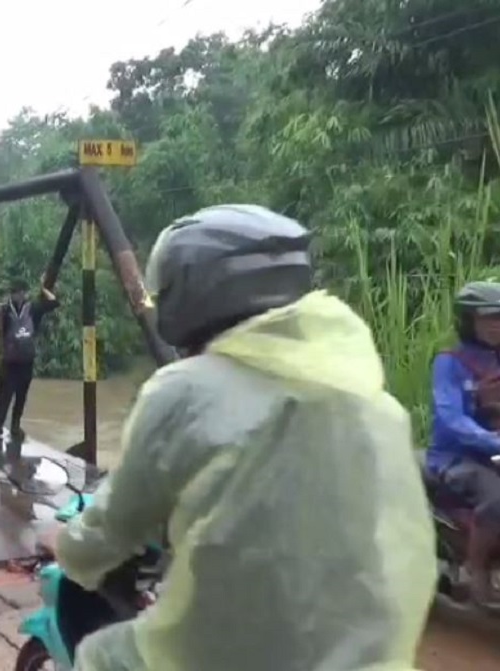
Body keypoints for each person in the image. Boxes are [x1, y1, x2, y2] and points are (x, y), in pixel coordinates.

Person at [47, 205, 436, 671]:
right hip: (371, 654)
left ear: (190, 291)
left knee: (103, 655)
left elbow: (116, 523)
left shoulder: (185, 389)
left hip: (240, 655)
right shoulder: (365, 392)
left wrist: (66, 544)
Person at [427, 280, 500, 609]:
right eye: (489, 318)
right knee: (496, 498)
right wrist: (492, 441)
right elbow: (451, 419)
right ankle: (477, 571)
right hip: (456, 457)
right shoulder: (449, 362)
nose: (497, 325)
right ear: (469, 321)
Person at [0, 276, 58, 442]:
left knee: (21, 396)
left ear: (24, 293)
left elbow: (54, 303)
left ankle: (15, 426)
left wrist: (44, 289)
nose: (16, 296)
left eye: (19, 292)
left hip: (26, 362)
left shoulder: (33, 308)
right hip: (9, 362)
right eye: (13, 293)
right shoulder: (5, 310)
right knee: (4, 397)